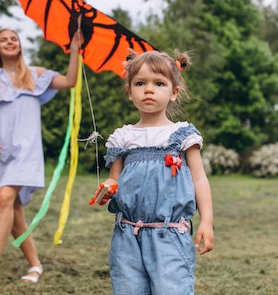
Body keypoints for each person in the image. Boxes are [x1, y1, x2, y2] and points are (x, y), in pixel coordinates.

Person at [91, 49, 215, 295]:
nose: (149, 89)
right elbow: (115, 177)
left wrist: (207, 221)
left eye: (159, 83)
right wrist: (108, 187)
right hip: (127, 235)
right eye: (140, 83)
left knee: (172, 289)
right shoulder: (123, 137)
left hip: (170, 234)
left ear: (173, 93)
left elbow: (199, 179)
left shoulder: (182, 135)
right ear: (130, 92)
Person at [0, 28, 82, 295]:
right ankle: (35, 264)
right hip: (0, 151)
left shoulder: (36, 75)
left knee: (4, 199)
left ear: (19, 46)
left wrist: (76, 47)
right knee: (14, 210)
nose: (10, 42)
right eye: (3, 39)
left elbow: (69, 81)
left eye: (14, 38)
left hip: (26, 151)